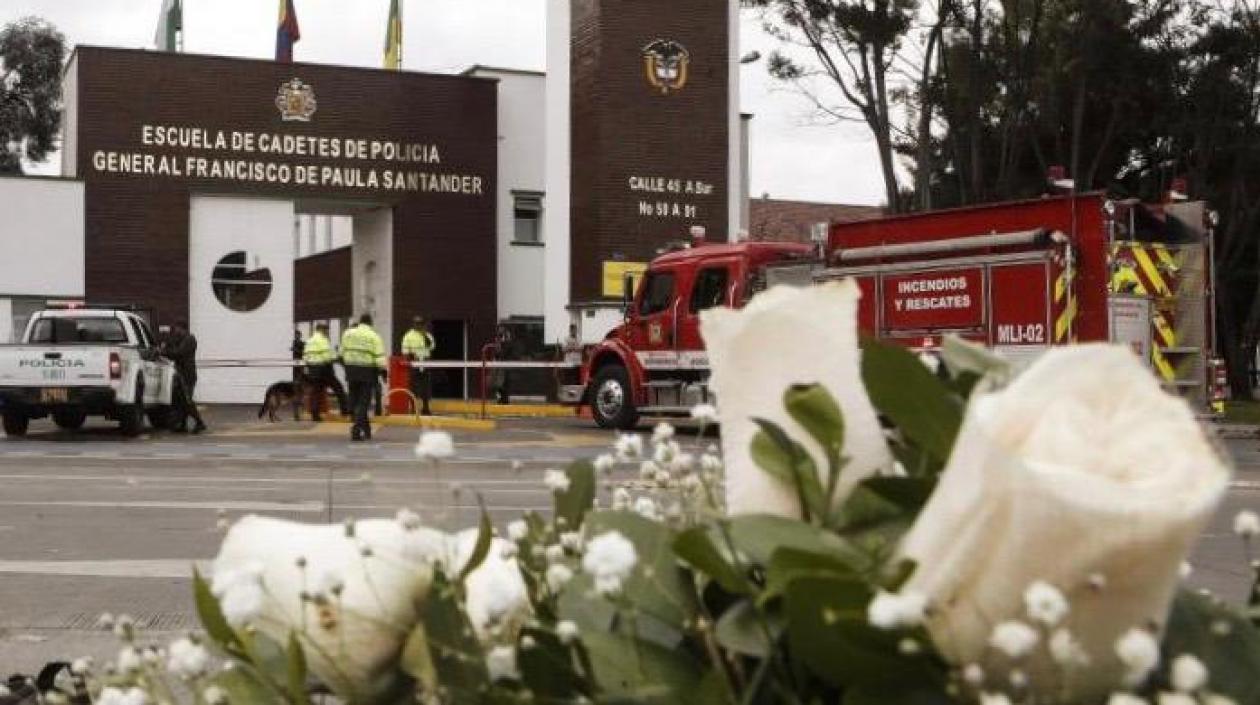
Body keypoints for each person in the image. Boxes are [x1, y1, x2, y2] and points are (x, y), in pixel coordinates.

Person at [340, 313, 386, 441]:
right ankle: (356, 430)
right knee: (363, 403)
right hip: (367, 372)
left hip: (351, 370)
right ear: (370, 323)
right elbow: (379, 358)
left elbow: (341, 353)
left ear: (360, 322)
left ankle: (366, 429)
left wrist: (348, 366)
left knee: (355, 400)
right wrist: (383, 372)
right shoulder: (374, 336)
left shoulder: (348, 334)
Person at [163, 320, 207, 434]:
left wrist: (164, 351)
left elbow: (178, 353)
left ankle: (200, 422)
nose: (176, 331)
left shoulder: (190, 339)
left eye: (177, 329)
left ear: (182, 328)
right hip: (181, 374)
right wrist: (167, 347)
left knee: (187, 401)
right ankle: (182, 425)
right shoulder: (181, 339)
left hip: (187, 375)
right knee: (181, 400)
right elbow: (173, 351)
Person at [303, 323, 348, 422]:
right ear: (322, 330)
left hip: (312, 369)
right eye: (326, 330)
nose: (327, 332)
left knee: (316, 392)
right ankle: (345, 410)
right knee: (338, 388)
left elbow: (305, 356)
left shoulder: (309, 340)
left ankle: (315, 415)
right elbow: (327, 356)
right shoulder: (322, 340)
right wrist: (336, 358)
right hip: (324, 369)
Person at [401, 316, 437, 415]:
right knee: (413, 386)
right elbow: (405, 351)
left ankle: (425, 408)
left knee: (425, 387)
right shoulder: (408, 336)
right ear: (413, 324)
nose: (418, 325)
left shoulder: (427, 335)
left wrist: (425, 335)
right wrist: (409, 360)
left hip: (425, 363)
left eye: (420, 323)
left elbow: (432, 346)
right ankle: (413, 408)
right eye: (417, 323)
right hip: (414, 363)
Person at [490, 324, 514, 404]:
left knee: (503, 384)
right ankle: (500, 398)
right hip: (498, 364)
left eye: (501, 330)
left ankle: (504, 400)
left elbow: (505, 352)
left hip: (504, 365)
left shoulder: (507, 341)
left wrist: (502, 343)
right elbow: (496, 352)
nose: (499, 332)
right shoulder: (498, 340)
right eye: (499, 330)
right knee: (496, 384)